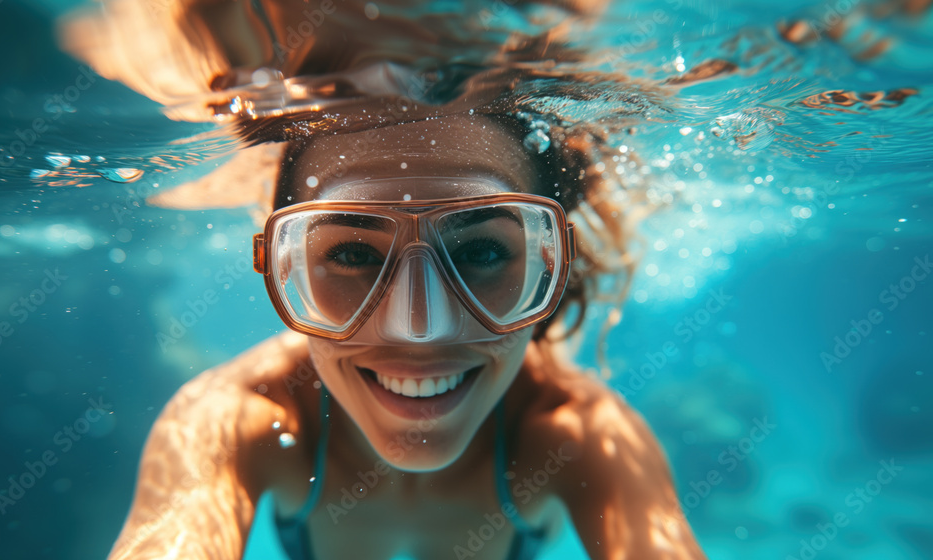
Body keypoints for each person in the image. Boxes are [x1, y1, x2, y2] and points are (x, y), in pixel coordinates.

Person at [105, 102, 707, 559]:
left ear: (550, 264)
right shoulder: (236, 419)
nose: (418, 330)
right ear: (283, 267)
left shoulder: (574, 434)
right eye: (353, 257)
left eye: (481, 252)